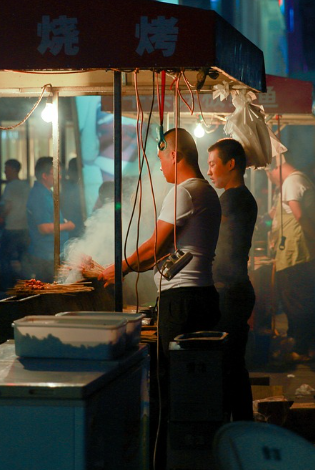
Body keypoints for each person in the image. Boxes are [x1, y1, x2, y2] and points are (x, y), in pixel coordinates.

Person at [99, 128, 221, 469]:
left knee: (171, 387)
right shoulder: (204, 191)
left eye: (161, 156)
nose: (159, 164)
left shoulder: (184, 192)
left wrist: (119, 269)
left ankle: (170, 460)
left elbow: (157, 246)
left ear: (175, 155)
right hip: (200, 297)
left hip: (183, 301)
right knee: (191, 388)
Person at [207, 138, 257, 421]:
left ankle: (235, 428)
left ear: (231, 164)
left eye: (213, 164)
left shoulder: (232, 199)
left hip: (231, 292)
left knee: (229, 365)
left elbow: (216, 242)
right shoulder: (240, 197)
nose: (210, 170)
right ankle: (241, 426)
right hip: (235, 289)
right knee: (233, 364)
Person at [268, 156, 315, 363]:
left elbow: (299, 215)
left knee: (296, 301)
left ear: (277, 167)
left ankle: (300, 348)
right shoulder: (300, 181)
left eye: (269, 173)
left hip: (295, 252)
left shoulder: (292, 181)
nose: (270, 178)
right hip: (298, 252)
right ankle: (307, 346)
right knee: (304, 300)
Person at [26, 156, 75, 282]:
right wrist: (67, 225)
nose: (59, 177)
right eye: (56, 174)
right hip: (44, 255)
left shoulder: (46, 193)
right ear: (44, 176)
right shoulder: (39, 195)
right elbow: (44, 228)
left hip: (51, 254)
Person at [0, 159, 30, 288]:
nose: (5, 172)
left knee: (4, 258)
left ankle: (7, 287)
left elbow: (8, 206)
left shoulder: (10, 187)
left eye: (7, 169)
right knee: (23, 259)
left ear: (13, 170)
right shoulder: (26, 186)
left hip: (11, 228)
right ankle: (26, 285)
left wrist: (1, 217)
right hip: (24, 228)